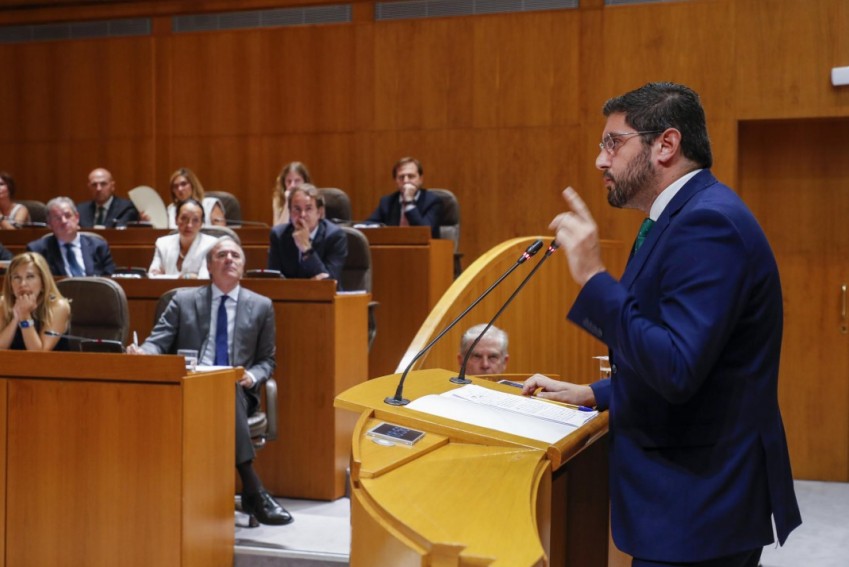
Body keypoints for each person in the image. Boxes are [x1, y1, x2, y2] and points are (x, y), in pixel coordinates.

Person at [524, 82, 801, 566]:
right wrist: (596, 394)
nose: (600, 161)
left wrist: (591, 276)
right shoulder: (674, 218)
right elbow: (697, 359)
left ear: (666, 145)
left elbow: (677, 368)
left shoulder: (708, 225)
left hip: (700, 502)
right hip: (687, 500)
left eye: (613, 143)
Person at [128, 237, 292, 526]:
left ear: (243, 266)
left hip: (237, 391)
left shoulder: (262, 306)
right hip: (189, 387)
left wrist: (251, 376)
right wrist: (143, 353)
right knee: (215, 390)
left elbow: (267, 361)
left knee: (225, 387)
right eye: (221, 255)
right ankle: (253, 489)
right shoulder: (183, 300)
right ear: (208, 266)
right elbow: (157, 343)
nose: (229, 259)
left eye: (235, 255)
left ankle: (252, 487)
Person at [267, 184, 347, 288]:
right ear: (290, 212)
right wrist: (307, 285)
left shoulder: (335, 236)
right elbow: (274, 281)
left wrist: (306, 249)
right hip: (290, 300)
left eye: (308, 208)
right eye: (297, 209)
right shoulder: (279, 235)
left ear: (319, 213)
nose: (302, 215)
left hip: (326, 302)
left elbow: (328, 284)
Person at [26, 197, 115, 277]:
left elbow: (110, 281)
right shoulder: (37, 250)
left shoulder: (99, 246)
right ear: (49, 223)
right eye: (57, 218)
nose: (64, 221)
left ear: (77, 218)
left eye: (68, 216)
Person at [0, 252, 71, 351]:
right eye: (17, 277)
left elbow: (38, 354)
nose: (23, 284)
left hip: (50, 365)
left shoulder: (58, 306)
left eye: (30, 277)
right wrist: (16, 318)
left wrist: (25, 316)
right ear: (10, 284)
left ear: (43, 282)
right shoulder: (3, 304)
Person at [366, 157, 443, 238]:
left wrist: (409, 202)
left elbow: (424, 233)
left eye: (411, 176)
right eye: (401, 177)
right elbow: (369, 224)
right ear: (396, 181)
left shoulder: (433, 201)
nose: (406, 181)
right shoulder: (387, 202)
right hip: (394, 248)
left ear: (421, 179)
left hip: (425, 248)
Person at [149, 199, 218, 278]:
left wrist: (164, 277)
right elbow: (152, 277)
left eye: (195, 220)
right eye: (184, 218)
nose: (189, 225)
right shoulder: (162, 243)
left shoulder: (211, 245)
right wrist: (185, 277)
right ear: (176, 220)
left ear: (201, 224)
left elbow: (203, 279)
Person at [272, 161, 311, 227]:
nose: (292, 185)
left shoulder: (313, 198)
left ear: (305, 181)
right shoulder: (279, 199)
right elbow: (278, 230)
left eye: (297, 181)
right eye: (289, 181)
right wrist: (287, 202)